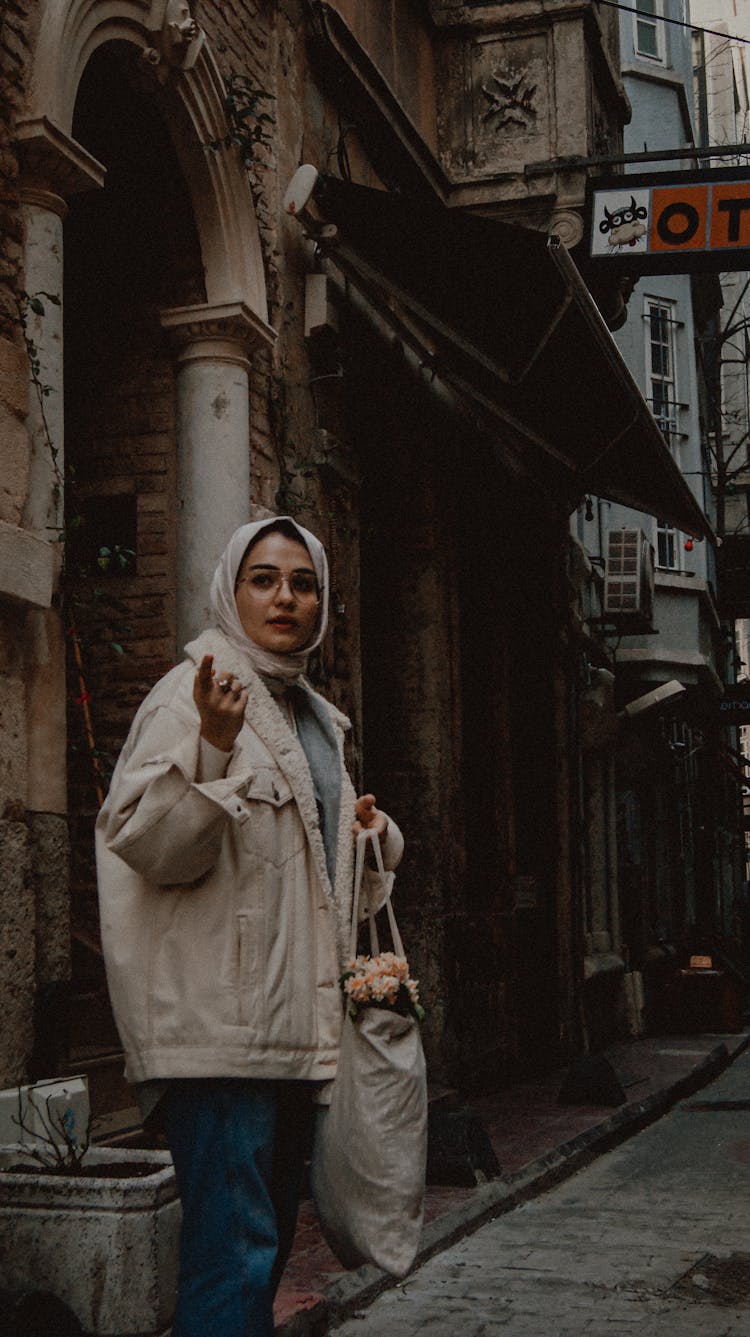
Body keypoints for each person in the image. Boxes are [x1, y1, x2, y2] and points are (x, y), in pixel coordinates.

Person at [96, 516, 403, 1337]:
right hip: (221, 1037)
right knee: (231, 1259)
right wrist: (211, 746)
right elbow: (140, 840)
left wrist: (362, 834)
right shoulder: (193, 692)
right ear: (231, 592)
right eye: (263, 578)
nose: (286, 597)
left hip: (292, 1035)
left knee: (253, 1263)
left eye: (302, 582)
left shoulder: (312, 718)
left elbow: (317, 889)